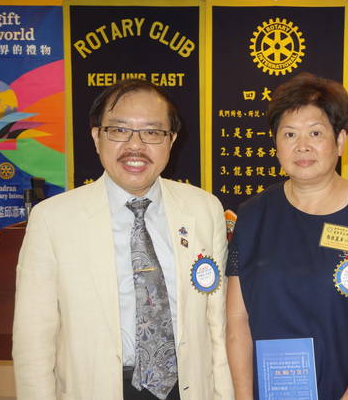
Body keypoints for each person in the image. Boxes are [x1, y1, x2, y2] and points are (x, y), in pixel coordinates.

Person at [12, 79, 233, 400]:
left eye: (152, 132)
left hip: (188, 387)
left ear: (171, 140)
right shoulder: (52, 219)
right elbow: (34, 340)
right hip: (96, 388)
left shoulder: (204, 209)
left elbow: (217, 326)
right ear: (96, 137)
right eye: (119, 130)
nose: (135, 145)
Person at [226, 72, 348, 399]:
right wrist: (243, 396)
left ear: (340, 141)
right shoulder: (253, 215)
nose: (302, 146)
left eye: (315, 132)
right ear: (276, 144)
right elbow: (237, 320)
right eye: (289, 134)